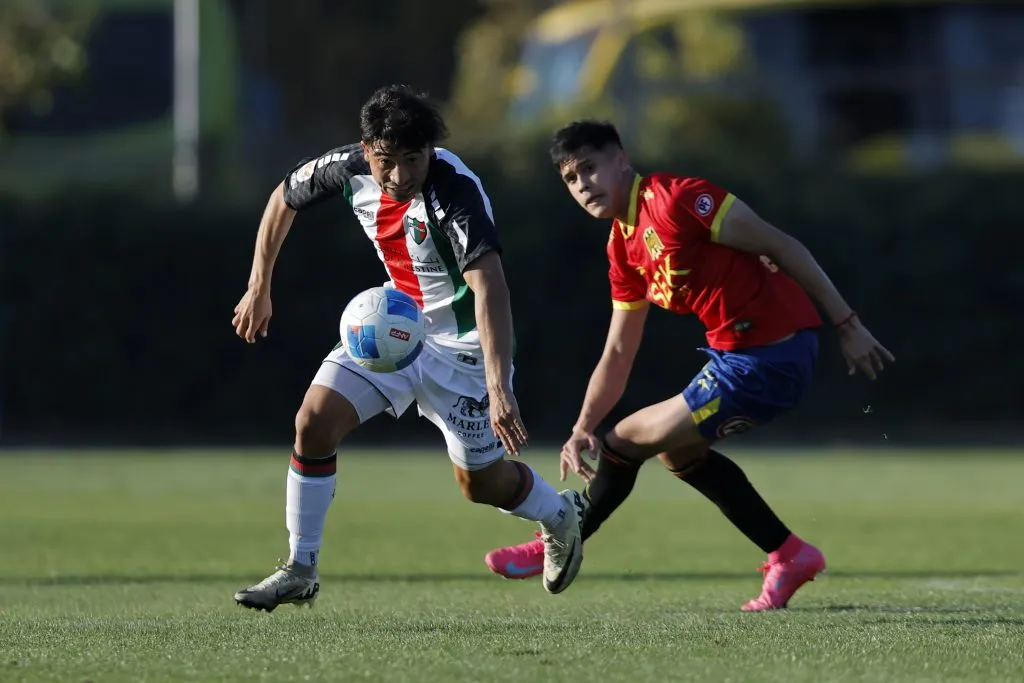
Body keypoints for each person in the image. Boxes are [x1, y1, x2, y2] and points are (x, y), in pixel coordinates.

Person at [484, 120, 894, 610]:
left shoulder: (677, 199)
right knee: (677, 453)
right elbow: (619, 350)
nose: (583, 185)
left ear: (621, 159)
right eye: (571, 179)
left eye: (590, 168)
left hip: (770, 357)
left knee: (625, 442)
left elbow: (782, 245)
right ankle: (789, 554)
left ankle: (558, 538)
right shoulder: (622, 247)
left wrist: (847, 324)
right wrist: (582, 427)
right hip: (737, 359)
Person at [230, 85, 587, 611]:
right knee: (313, 422)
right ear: (366, 150)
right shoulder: (346, 167)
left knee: (481, 485)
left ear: (430, 152)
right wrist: (259, 285)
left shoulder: (454, 191)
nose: (399, 175)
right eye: (386, 161)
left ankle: (560, 515)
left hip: (465, 348)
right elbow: (284, 196)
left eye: (413, 160)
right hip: (396, 327)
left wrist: (497, 386)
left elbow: (490, 287)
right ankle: (300, 568)